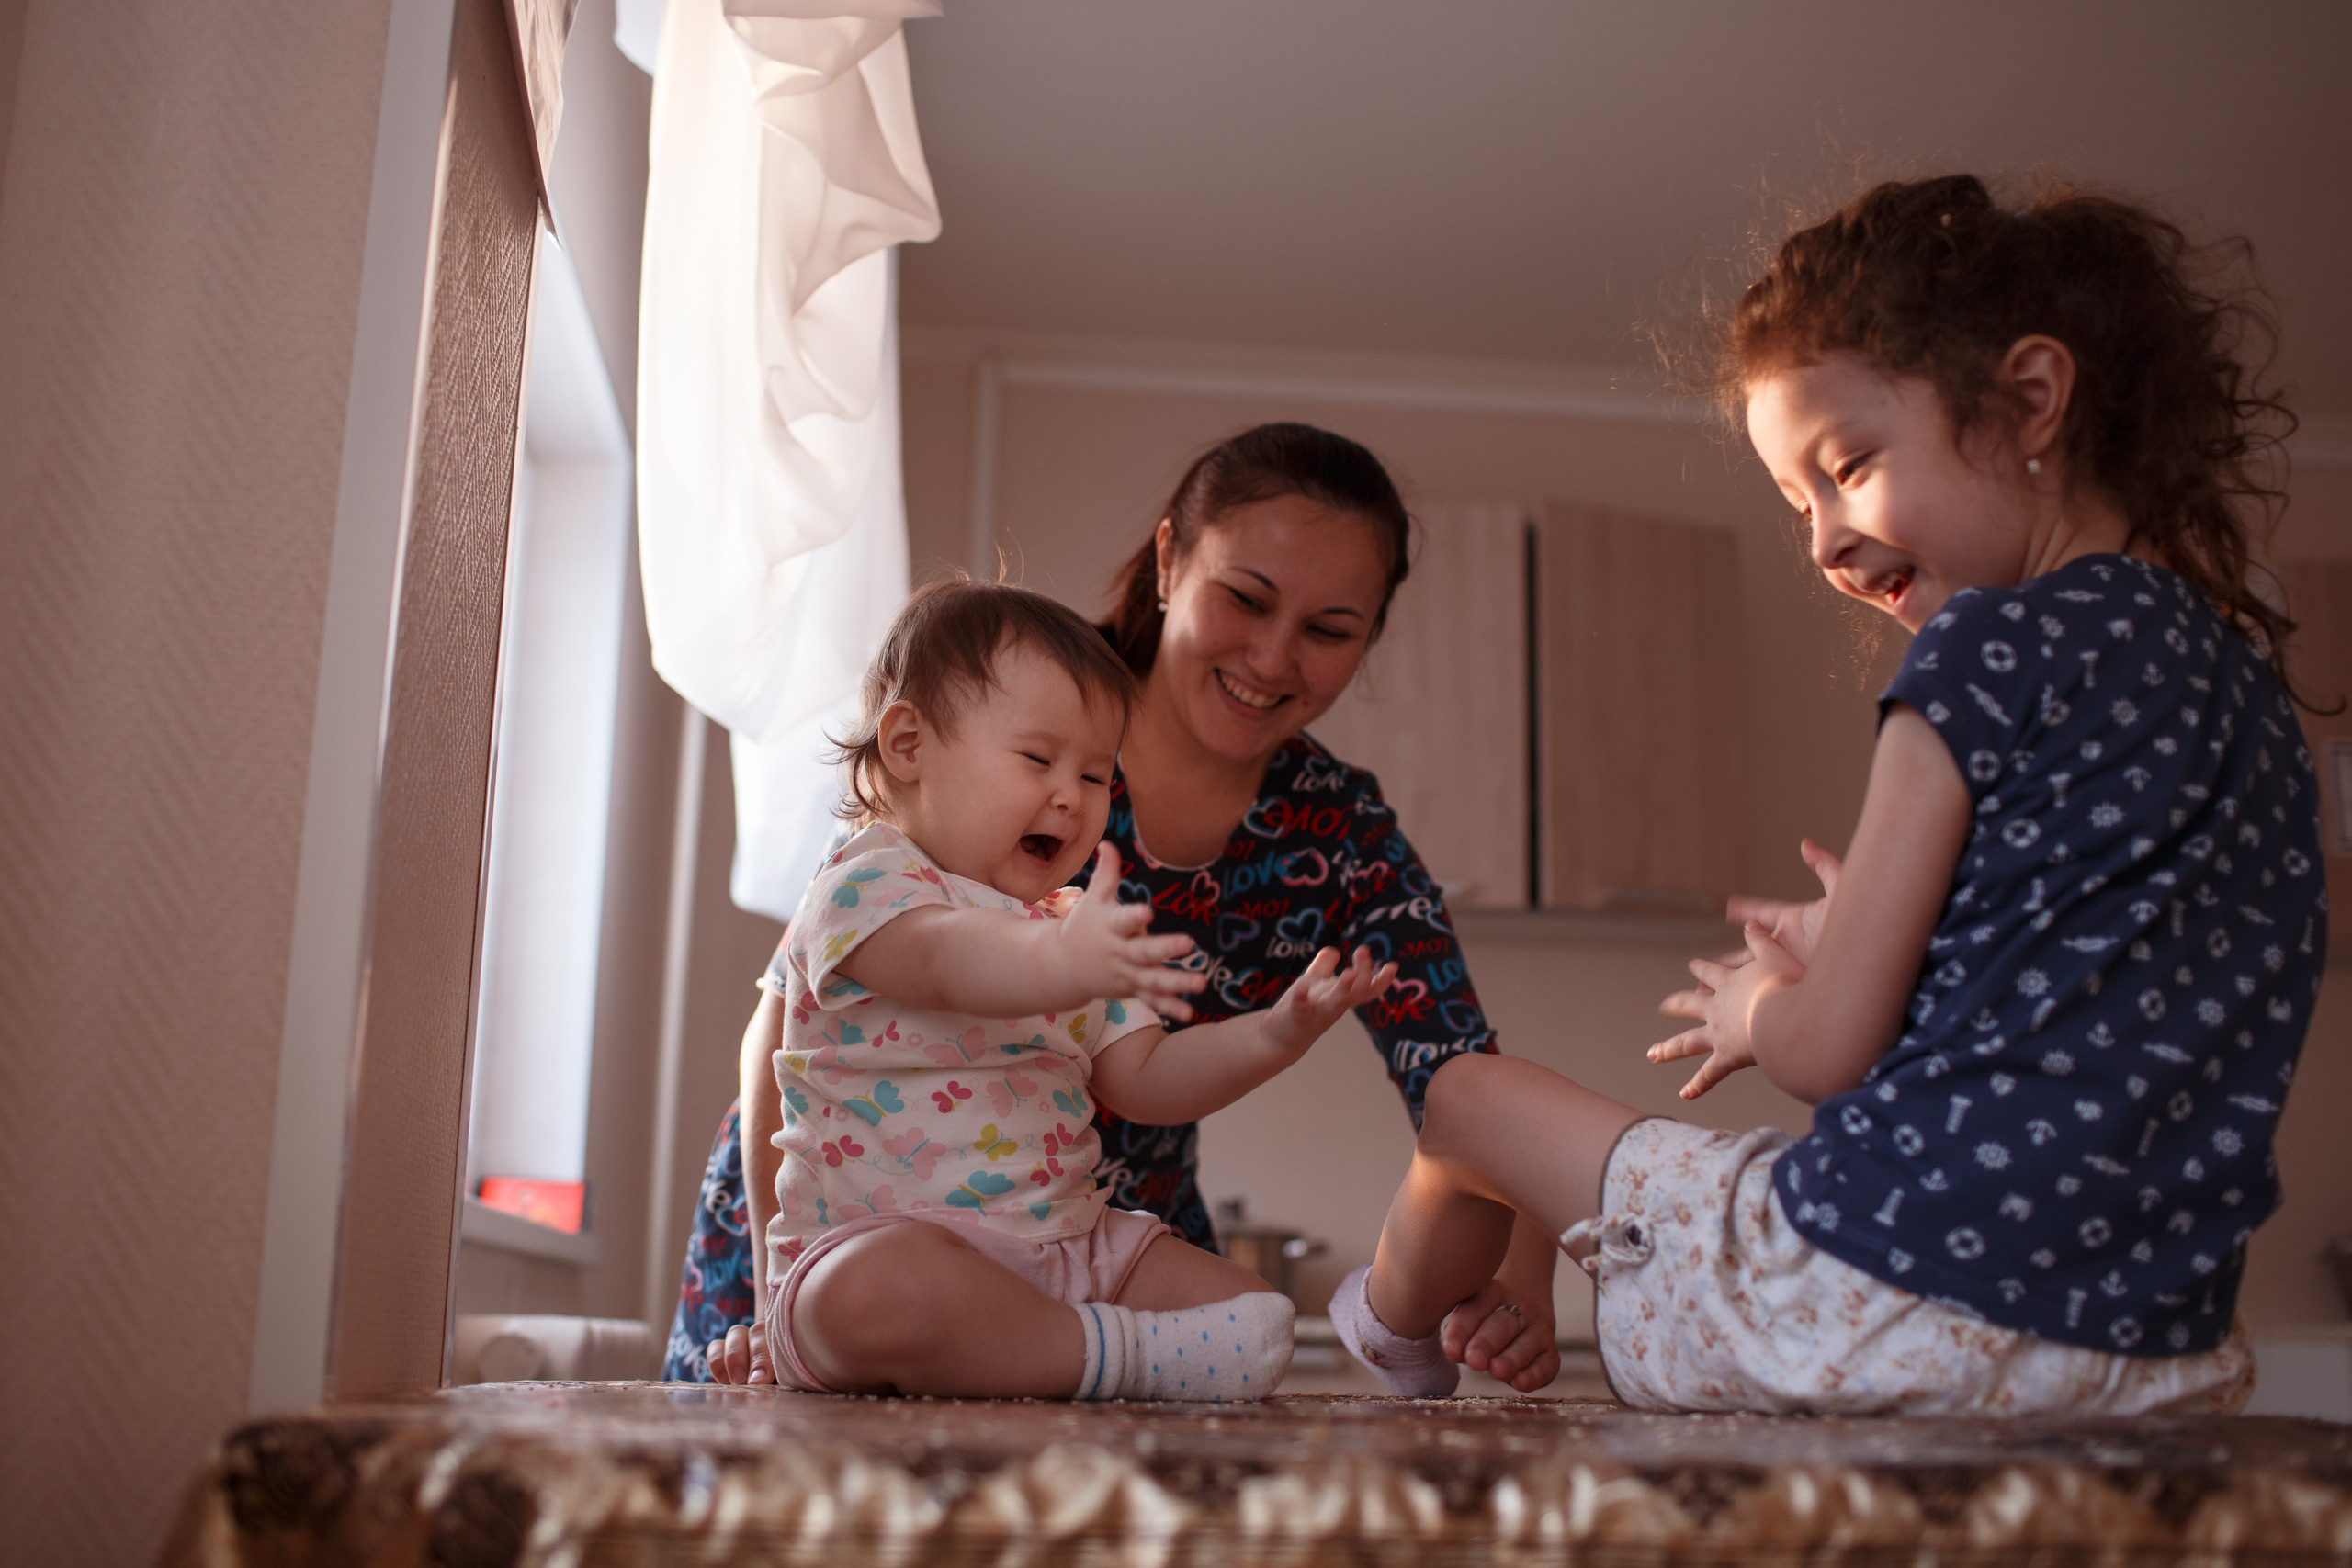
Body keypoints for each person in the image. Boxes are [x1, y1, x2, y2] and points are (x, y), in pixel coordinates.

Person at [1329, 175, 2323, 1413]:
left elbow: (1832, 1053)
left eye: (1847, 465)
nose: (1823, 542)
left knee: (1471, 1096)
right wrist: (1916, 946)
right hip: (2152, 1356)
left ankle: (1384, 1337)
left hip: (1873, 1311)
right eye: (1799, 504)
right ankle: (1511, 1280)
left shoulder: (1979, 651)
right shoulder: (2242, 691)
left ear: (2031, 397)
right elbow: (2094, 1019)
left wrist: (1766, 1006)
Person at [677, 423, 1566, 1390]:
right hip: (847, 1213)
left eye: (1327, 630)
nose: (1272, 658)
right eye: (1246, 598)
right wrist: (773, 1287)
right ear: (1169, 559)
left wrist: (1520, 1274)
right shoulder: (1016, 708)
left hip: (1090, 1243)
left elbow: (1461, 1075)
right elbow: (784, 1024)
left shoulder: (1342, 835)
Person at [763, 580, 1395, 1397]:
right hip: (884, 1243)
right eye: (1038, 758)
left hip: (1066, 1247)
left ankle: (1057, 1347)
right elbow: (947, 957)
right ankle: (1108, 1358)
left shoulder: (1065, 924)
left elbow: (1148, 1079)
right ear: (909, 746)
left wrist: (1274, 1033)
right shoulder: (865, 885)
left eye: (1098, 776)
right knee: (869, 1298)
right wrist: (1062, 959)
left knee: (1257, 1315)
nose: (1072, 795)